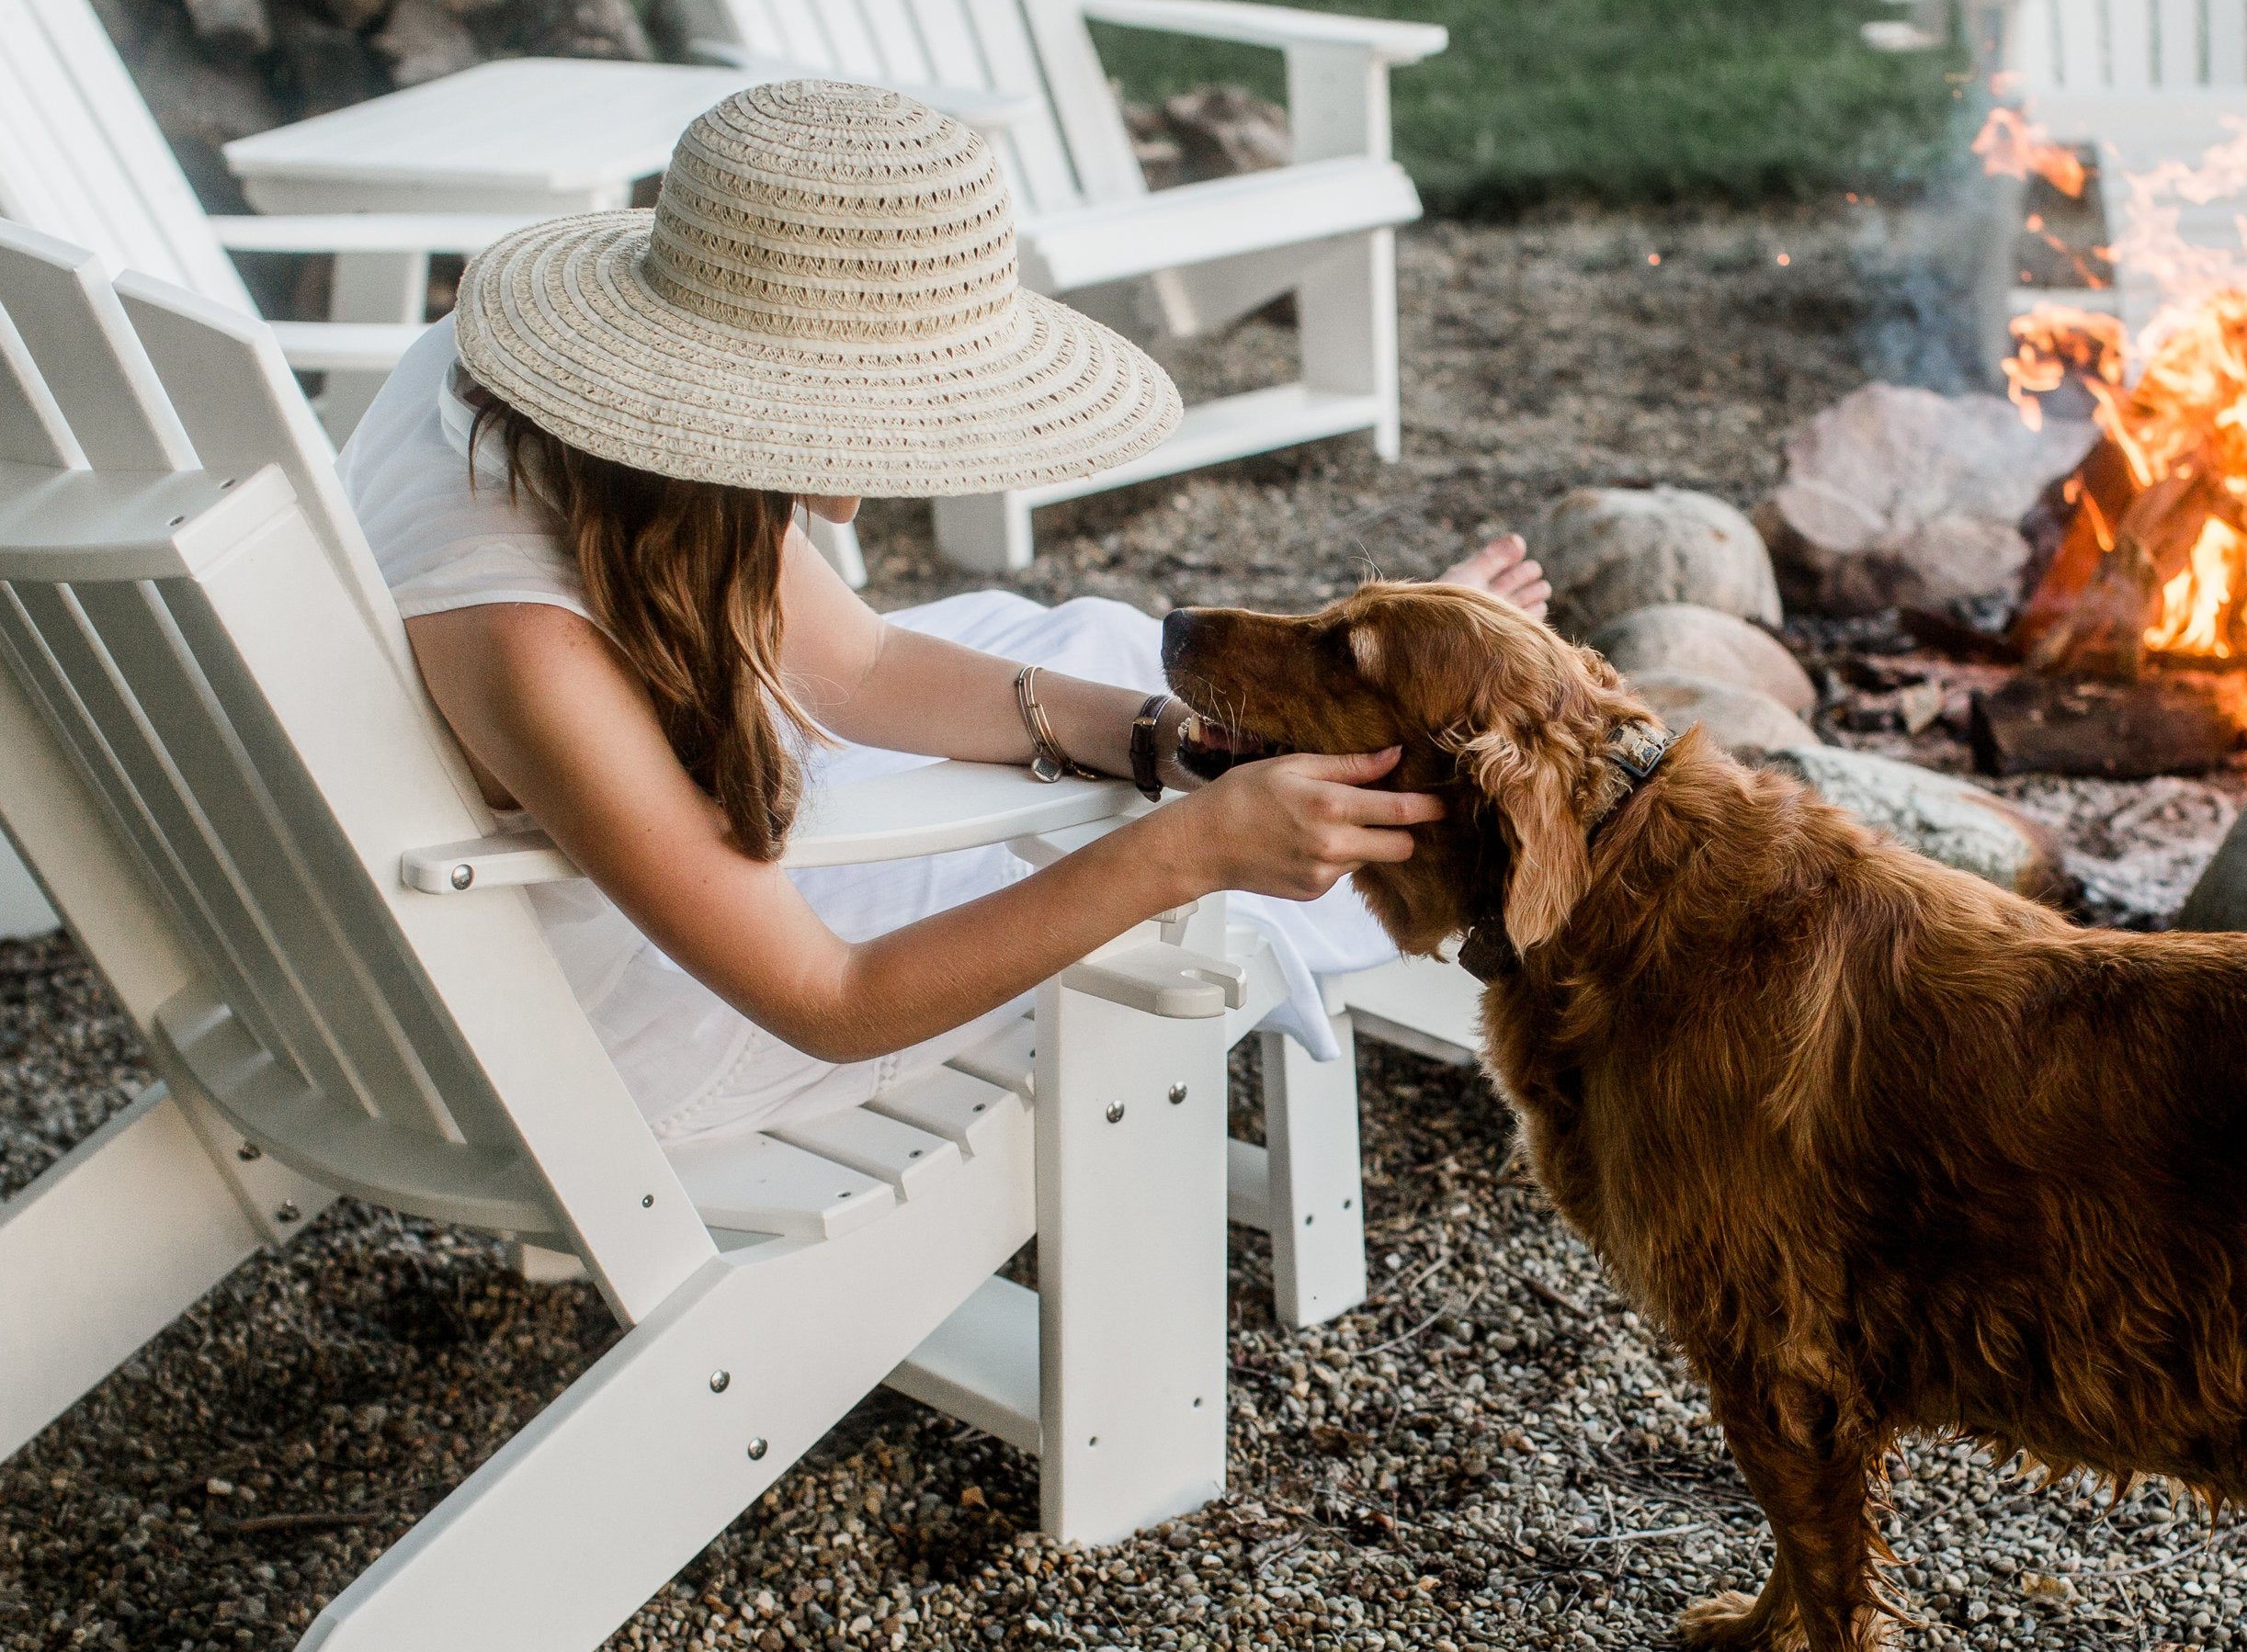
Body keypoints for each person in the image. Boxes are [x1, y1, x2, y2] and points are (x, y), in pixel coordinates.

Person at [339, 74, 1543, 1148]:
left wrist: (1150, 739)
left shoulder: (564, 406)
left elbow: (851, 669)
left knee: (1089, 649)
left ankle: (1369, 712)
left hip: (616, 882)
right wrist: (1192, 849)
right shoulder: (529, 645)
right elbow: (833, 1000)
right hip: (643, 1024)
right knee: (1121, 848)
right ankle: (1462, 822)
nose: (916, 439)